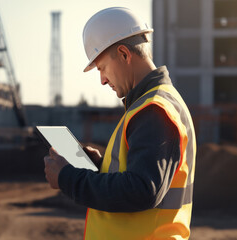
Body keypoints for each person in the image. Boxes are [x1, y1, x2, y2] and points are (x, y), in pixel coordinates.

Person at [44, 7, 196, 240]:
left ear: (124, 54)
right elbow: (142, 177)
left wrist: (67, 178)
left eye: (102, 68)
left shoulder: (153, 109)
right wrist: (100, 166)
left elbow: (142, 190)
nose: (103, 80)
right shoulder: (149, 104)